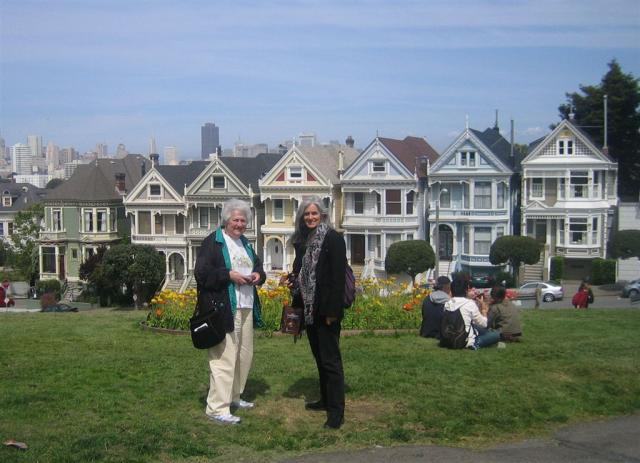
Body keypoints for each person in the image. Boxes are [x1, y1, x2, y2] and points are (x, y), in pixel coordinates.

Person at [194, 199, 266, 425]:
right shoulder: (213, 242)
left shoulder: (245, 243)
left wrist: (258, 276)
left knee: (244, 355)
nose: (240, 224)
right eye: (236, 220)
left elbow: (258, 268)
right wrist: (228, 275)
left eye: (244, 220)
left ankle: (235, 396)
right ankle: (216, 408)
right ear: (227, 220)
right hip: (223, 309)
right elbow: (202, 275)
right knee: (224, 357)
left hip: (245, 305)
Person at [287, 197, 347, 429]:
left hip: (326, 310)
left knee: (331, 361)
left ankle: (336, 411)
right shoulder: (304, 240)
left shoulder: (333, 239)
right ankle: (325, 399)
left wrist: (332, 312)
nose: (310, 218)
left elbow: (337, 277)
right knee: (320, 358)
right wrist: (293, 278)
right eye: (306, 214)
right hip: (310, 310)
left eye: (314, 213)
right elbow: (299, 270)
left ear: (322, 215)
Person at [444, 278, 500, 349]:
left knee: (480, 329)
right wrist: (483, 310)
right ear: (466, 290)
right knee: (496, 335)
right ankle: (475, 344)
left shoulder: (447, 304)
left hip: (449, 338)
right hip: (463, 340)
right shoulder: (469, 303)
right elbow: (484, 324)